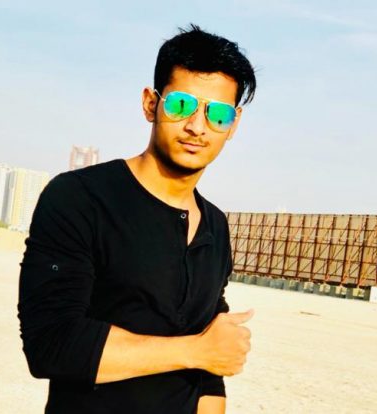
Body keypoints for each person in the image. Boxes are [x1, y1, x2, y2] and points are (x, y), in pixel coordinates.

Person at [17, 24, 257, 414]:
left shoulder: (216, 226)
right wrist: (196, 350)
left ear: (234, 124)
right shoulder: (80, 197)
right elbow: (52, 345)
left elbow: (210, 370)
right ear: (151, 104)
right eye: (181, 105)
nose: (197, 126)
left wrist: (208, 354)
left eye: (218, 113)